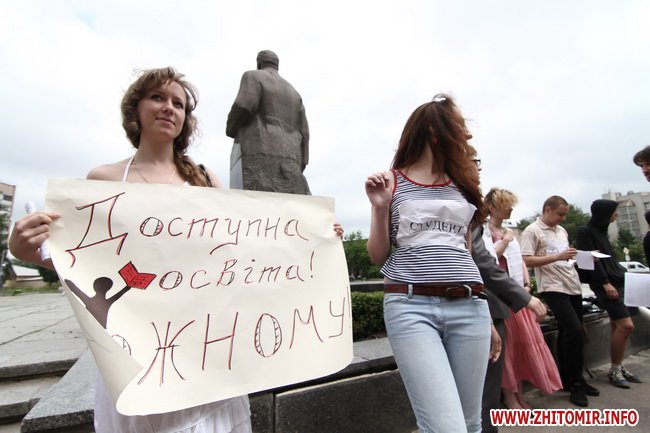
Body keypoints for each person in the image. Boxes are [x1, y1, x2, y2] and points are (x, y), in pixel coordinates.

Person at [9, 67, 253, 433]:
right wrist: (24, 249)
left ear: (185, 119)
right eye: (157, 97)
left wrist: (316, 236)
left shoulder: (205, 179)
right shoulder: (102, 180)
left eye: (178, 104)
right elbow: (80, 262)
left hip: (202, 343)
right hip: (135, 348)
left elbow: (243, 249)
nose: (168, 107)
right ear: (135, 109)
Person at [365, 94, 490, 433]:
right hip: (411, 307)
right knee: (446, 427)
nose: (467, 136)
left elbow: (465, 252)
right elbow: (377, 256)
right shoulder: (392, 181)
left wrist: (488, 316)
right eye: (460, 127)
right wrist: (379, 207)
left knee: (470, 423)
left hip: (472, 306)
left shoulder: (463, 183)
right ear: (435, 130)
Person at [466, 151, 547, 433]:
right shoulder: (471, 211)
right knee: (485, 391)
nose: (478, 168)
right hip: (486, 302)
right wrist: (524, 297)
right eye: (473, 162)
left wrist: (525, 287)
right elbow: (483, 261)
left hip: (495, 300)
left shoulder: (468, 207)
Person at [482, 188, 562, 409]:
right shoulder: (485, 232)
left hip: (517, 296)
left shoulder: (507, 231)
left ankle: (518, 394)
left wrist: (527, 286)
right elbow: (487, 261)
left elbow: (520, 262)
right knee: (507, 350)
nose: (510, 209)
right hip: (501, 298)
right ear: (492, 207)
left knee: (520, 348)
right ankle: (510, 396)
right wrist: (505, 241)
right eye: (505, 204)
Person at [520, 195, 599, 407]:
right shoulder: (532, 231)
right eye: (560, 214)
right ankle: (575, 383)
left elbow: (565, 257)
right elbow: (525, 260)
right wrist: (557, 257)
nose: (562, 218)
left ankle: (571, 379)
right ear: (547, 209)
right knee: (574, 330)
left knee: (570, 332)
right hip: (552, 286)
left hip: (571, 283)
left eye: (564, 215)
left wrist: (582, 257)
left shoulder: (561, 230)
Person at [576, 199, 642, 388]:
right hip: (606, 285)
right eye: (614, 211)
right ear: (605, 213)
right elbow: (589, 261)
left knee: (617, 326)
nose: (616, 214)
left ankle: (618, 367)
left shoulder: (602, 232)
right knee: (626, 326)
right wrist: (605, 283)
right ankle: (615, 370)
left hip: (618, 282)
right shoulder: (585, 231)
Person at [226, 50, 310, 194]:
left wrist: (230, 127)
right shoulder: (294, 93)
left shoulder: (252, 76)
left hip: (259, 150)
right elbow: (305, 132)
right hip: (291, 157)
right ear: (277, 65)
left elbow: (244, 105)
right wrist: (302, 161)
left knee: (257, 201)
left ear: (259, 63)